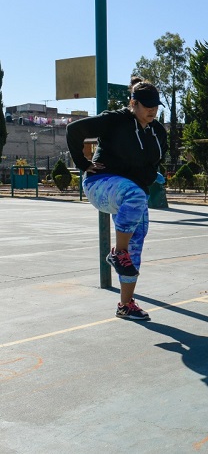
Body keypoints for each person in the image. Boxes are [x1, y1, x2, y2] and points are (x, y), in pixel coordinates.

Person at [65, 76, 167, 320]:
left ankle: (126, 304)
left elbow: (151, 163)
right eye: (146, 105)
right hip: (100, 184)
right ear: (133, 103)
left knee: (137, 245)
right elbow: (73, 130)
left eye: (155, 106)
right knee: (134, 195)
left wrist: (154, 175)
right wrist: (83, 164)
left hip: (133, 195)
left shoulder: (157, 131)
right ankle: (117, 252)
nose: (152, 110)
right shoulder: (115, 120)